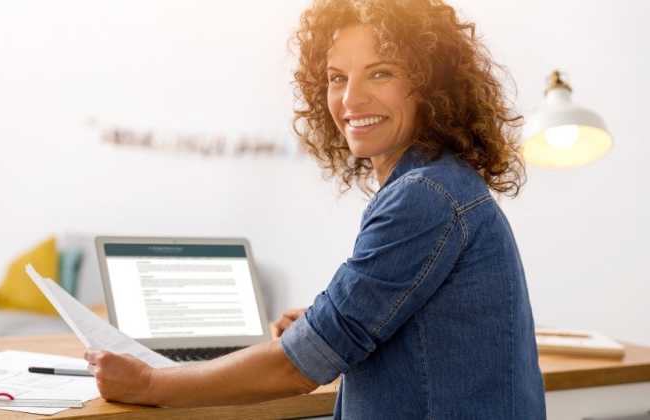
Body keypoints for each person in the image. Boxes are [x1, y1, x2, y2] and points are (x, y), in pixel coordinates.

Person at [85, 0, 547, 418]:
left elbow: (301, 367)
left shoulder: (424, 195)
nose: (350, 100)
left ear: (430, 85)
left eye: (381, 72)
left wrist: (149, 382)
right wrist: (323, 320)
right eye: (337, 78)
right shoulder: (437, 182)